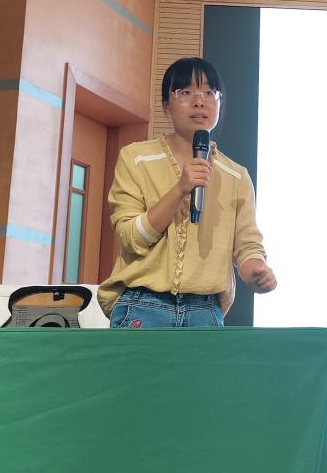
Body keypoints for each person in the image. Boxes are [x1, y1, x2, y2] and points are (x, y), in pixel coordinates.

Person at [98, 57, 277, 328]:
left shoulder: (236, 175)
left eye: (209, 92)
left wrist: (256, 272)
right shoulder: (136, 158)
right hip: (143, 306)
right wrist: (180, 189)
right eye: (185, 92)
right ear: (165, 104)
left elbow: (247, 245)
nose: (199, 101)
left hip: (205, 311)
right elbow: (130, 238)